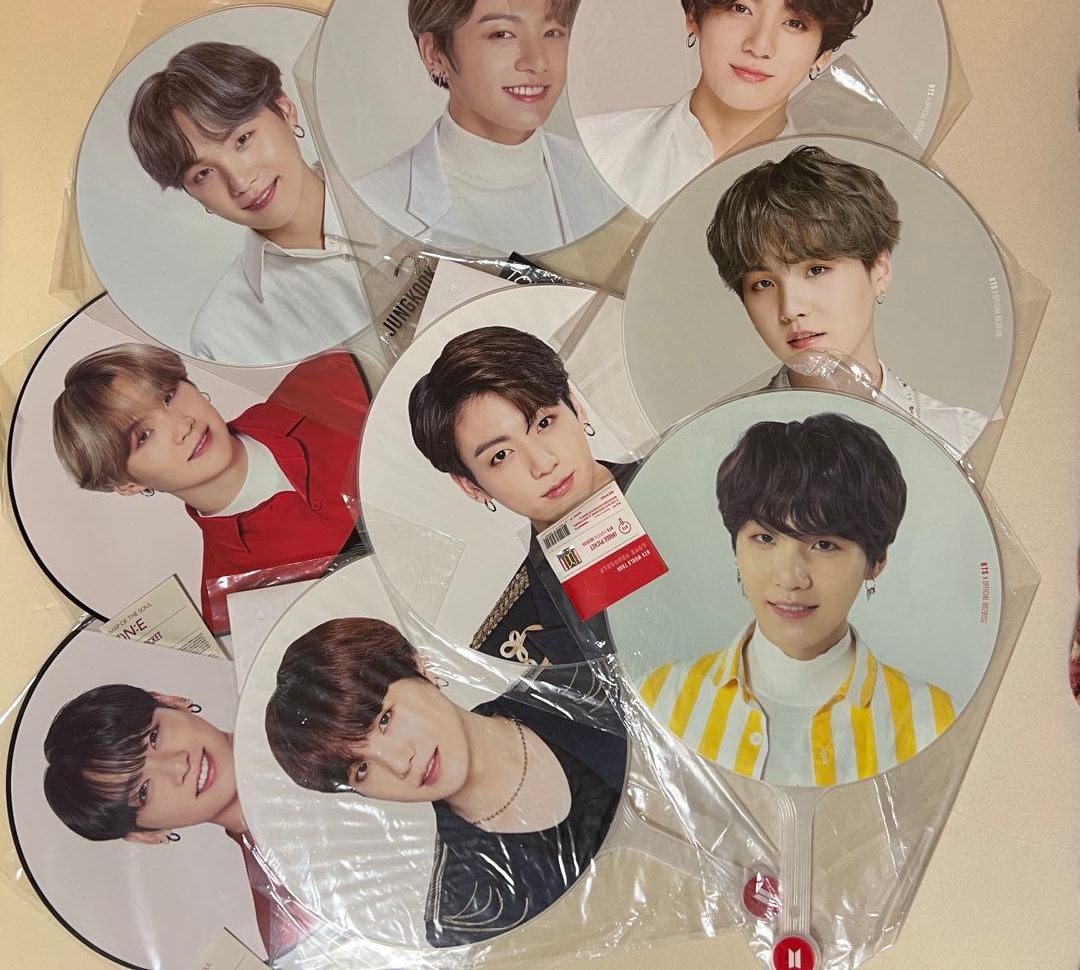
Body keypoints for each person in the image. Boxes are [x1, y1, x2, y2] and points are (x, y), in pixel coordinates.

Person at [264, 616, 625, 948]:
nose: (398, 763)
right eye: (361, 769)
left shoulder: (573, 682)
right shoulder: (467, 915)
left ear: (420, 667)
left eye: (385, 720)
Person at [640, 414, 956, 787]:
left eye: (824, 544)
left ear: (876, 561)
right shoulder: (662, 696)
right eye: (765, 538)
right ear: (735, 547)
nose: (790, 578)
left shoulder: (931, 718)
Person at [577, 0, 872, 218]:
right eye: (740, 8)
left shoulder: (840, 203)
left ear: (823, 54)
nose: (759, 46)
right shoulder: (592, 148)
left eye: (794, 23)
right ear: (694, 16)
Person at [52, 344, 369, 635]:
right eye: (143, 436)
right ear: (129, 484)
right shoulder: (232, 606)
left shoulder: (333, 377)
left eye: (168, 396)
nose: (182, 425)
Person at [354, 0, 622, 255]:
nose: (537, 61)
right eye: (503, 34)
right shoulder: (371, 209)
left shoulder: (607, 176)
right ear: (434, 53)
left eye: (552, 32)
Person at [705, 145, 988, 456]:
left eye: (816, 270)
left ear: (879, 269)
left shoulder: (963, 440)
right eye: (764, 283)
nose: (791, 309)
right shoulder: (720, 449)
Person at [128, 41, 373, 363]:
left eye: (242, 139)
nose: (240, 182)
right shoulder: (224, 334)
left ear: (285, 110)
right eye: (203, 173)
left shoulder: (410, 188)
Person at [43, 684, 317, 960]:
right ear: (146, 834)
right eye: (143, 791)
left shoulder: (309, 685)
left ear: (170, 702)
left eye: (153, 737)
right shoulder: (289, 921)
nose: (178, 765)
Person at [409, 325, 630, 664]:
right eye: (501, 455)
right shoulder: (511, 641)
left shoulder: (697, 468)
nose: (543, 464)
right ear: (473, 487)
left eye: (544, 422)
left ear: (576, 406)